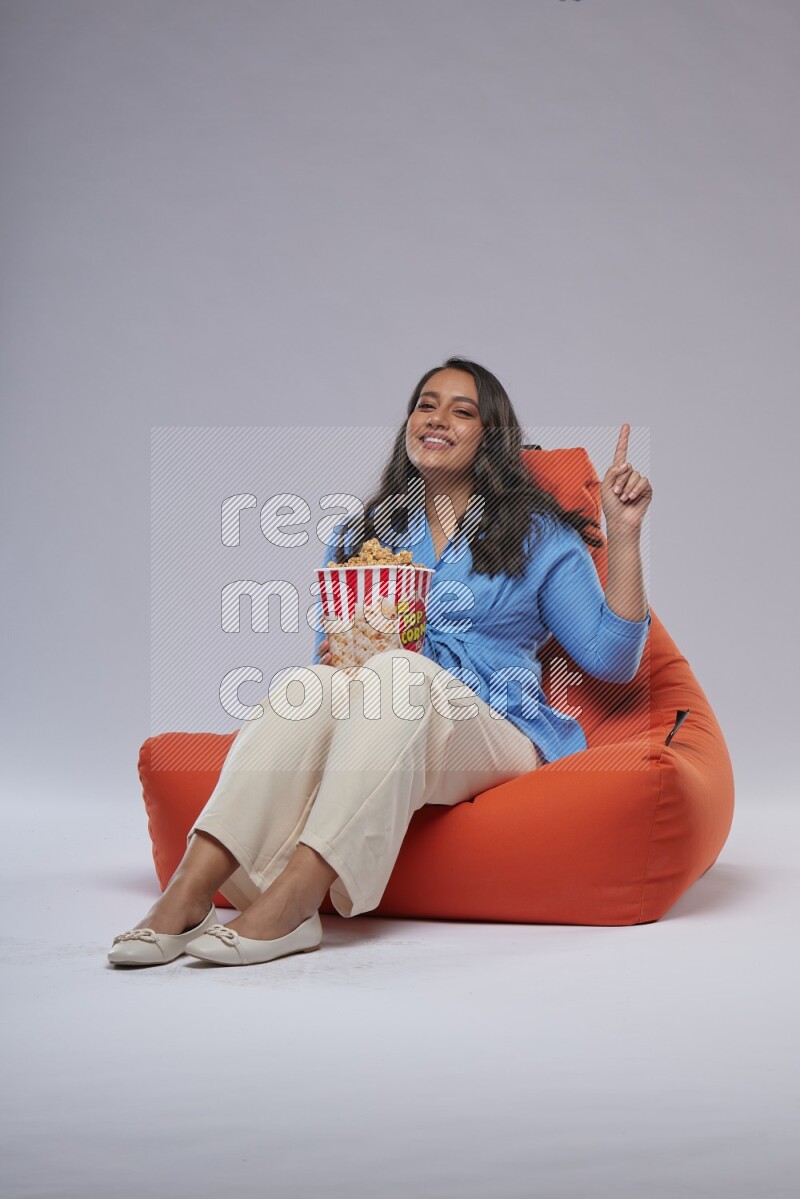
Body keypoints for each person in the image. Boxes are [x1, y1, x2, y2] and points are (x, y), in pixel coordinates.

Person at [107, 357, 652, 968]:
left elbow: (612, 657)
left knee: (400, 674)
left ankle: (294, 901)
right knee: (306, 684)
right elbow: (332, 659)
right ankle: (189, 890)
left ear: (491, 434)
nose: (437, 418)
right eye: (426, 404)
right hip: (386, 723)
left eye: (462, 410)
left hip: (494, 729)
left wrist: (624, 534)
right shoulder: (362, 531)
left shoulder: (540, 536)